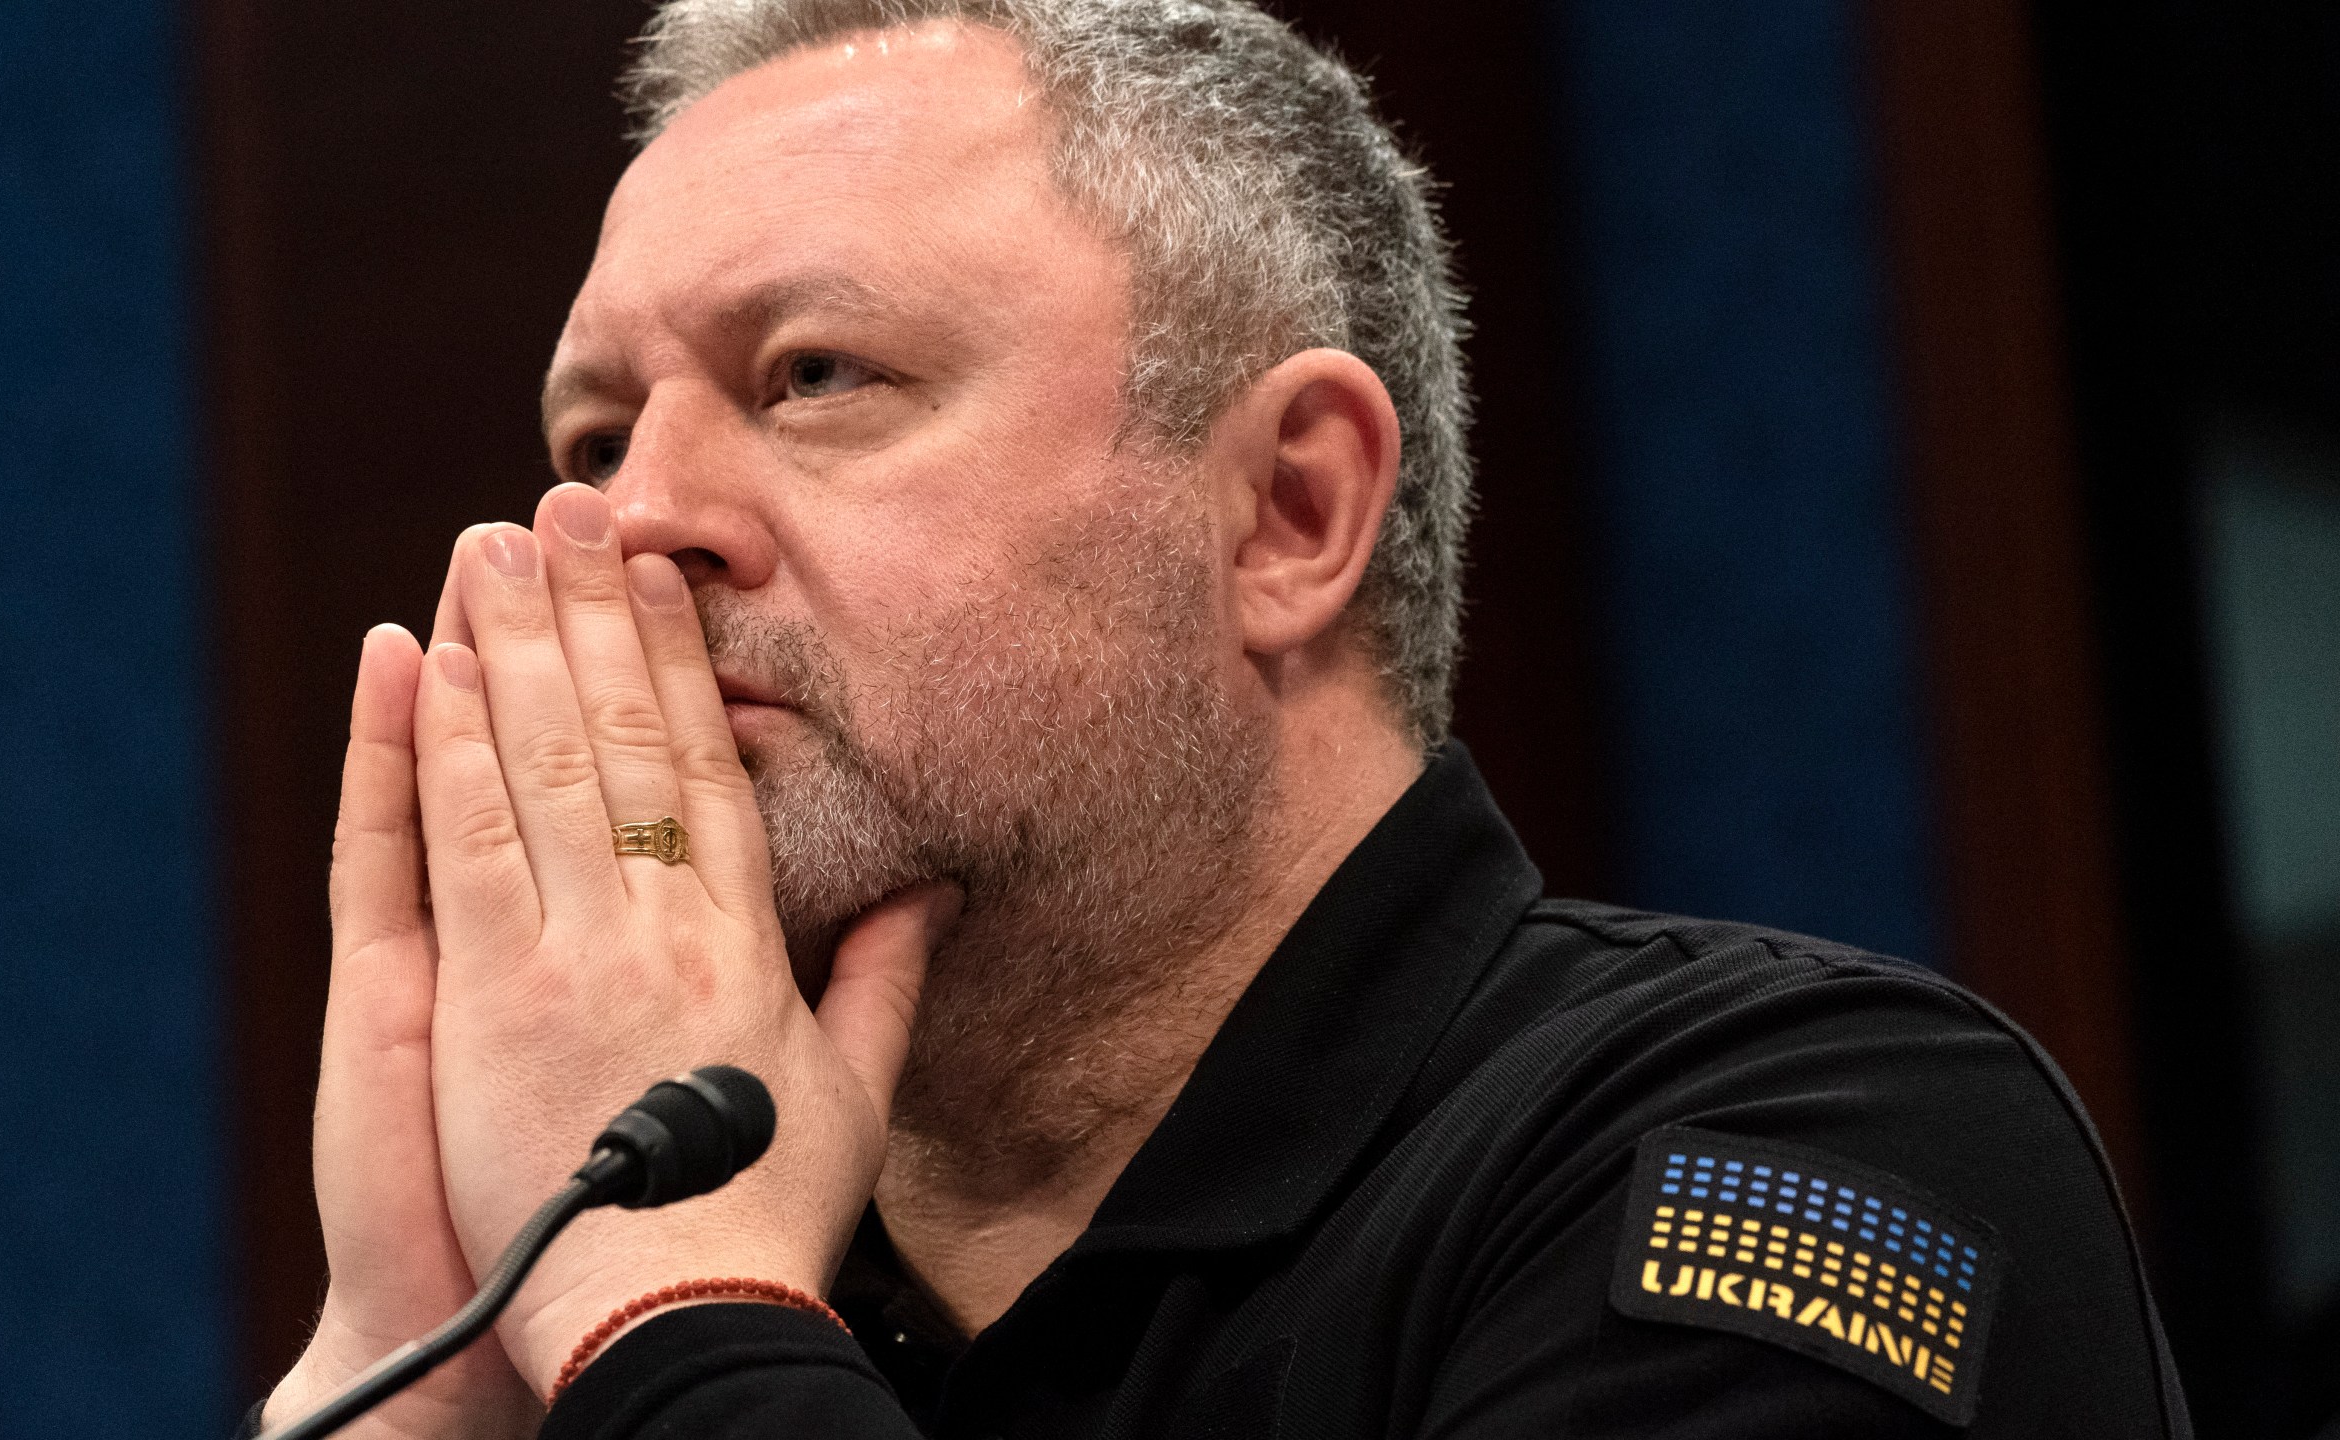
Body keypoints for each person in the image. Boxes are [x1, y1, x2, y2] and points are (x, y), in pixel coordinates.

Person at [252, 2, 2191, 1435]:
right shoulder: (636, 1310)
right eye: (591, 432)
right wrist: (408, 1366)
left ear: (1286, 511)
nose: (631, 516)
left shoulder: (1799, 1137)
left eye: (814, 373)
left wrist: (668, 1316)